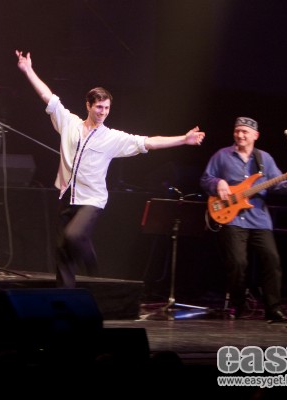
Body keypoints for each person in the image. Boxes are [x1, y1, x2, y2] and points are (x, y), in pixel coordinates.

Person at [15, 50, 206, 288]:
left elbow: (149, 142)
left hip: (92, 199)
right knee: (63, 250)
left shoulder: (112, 138)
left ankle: (89, 257)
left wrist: (183, 139)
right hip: (66, 194)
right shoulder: (69, 123)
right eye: (99, 107)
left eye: (106, 108)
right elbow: (48, 96)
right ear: (88, 105)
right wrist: (28, 70)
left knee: (74, 236)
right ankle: (64, 295)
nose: (103, 112)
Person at [199, 117, 287, 322]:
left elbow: (277, 186)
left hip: (259, 219)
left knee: (272, 260)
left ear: (256, 135)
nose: (240, 135)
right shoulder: (222, 155)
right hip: (232, 218)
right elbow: (205, 179)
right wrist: (218, 182)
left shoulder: (264, 159)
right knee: (237, 263)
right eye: (237, 131)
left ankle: (273, 309)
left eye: (245, 132)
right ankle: (238, 305)